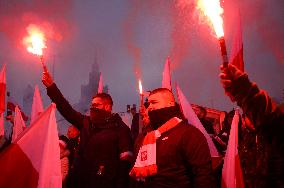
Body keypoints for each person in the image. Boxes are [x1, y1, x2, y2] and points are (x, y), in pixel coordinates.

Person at [42, 67, 133, 188]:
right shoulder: (86, 123)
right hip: (79, 182)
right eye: (92, 105)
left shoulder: (121, 129)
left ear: (108, 107)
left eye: (96, 105)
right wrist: (51, 87)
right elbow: (66, 109)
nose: (92, 108)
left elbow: (125, 164)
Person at [130, 88, 215, 187]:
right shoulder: (144, 136)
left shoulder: (189, 133)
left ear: (170, 104)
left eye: (154, 102)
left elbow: (203, 175)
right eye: (148, 104)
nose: (149, 107)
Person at [220, 63, 284, 187]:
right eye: (248, 115)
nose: (251, 118)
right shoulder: (245, 138)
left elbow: (271, 119)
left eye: (252, 114)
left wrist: (243, 90)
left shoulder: (270, 134)